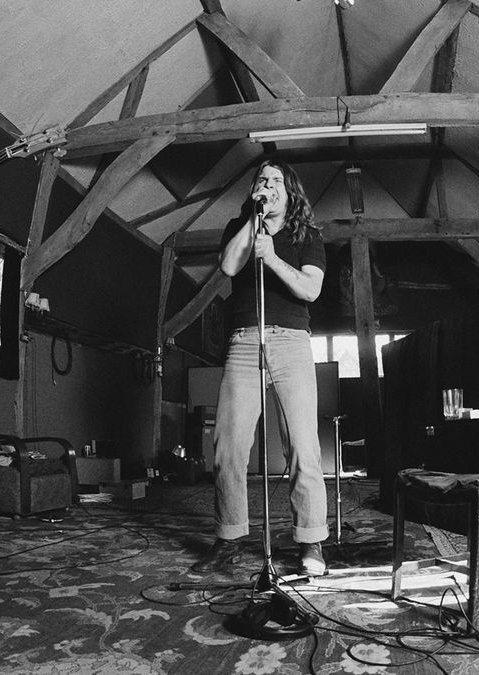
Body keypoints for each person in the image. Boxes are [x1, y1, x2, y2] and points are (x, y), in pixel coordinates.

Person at [191, 160, 329, 577]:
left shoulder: (308, 235)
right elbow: (230, 267)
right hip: (243, 341)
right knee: (228, 447)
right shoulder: (241, 225)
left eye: (276, 182)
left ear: (290, 193)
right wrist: (254, 227)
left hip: (291, 343)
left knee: (302, 447)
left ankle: (311, 542)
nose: (267, 185)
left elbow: (310, 288)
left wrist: (270, 258)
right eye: (261, 180)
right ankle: (229, 537)